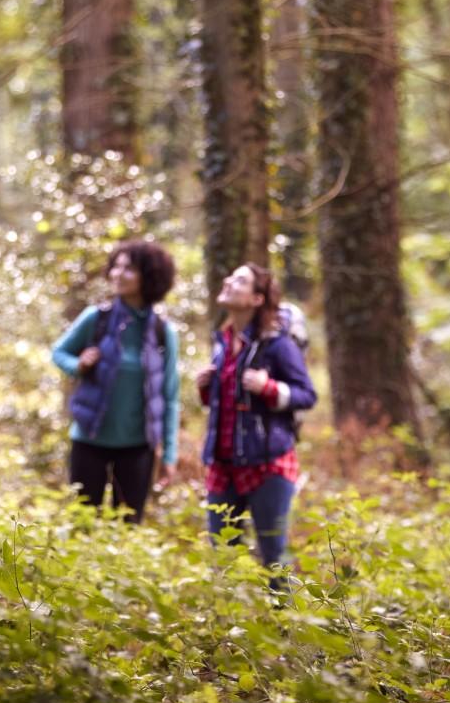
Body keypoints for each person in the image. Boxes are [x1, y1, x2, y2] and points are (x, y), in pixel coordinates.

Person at [195, 264, 316, 584]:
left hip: (268, 465)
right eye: (230, 276)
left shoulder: (277, 345)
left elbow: (307, 394)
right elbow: (230, 406)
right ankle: (227, 632)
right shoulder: (223, 342)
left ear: (256, 299)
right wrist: (206, 387)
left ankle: (284, 629)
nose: (228, 281)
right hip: (222, 466)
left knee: (274, 556)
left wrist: (270, 388)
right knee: (222, 555)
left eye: (240, 280)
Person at [52, 241, 180, 523]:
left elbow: (170, 397)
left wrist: (169, 454)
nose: (118, 274)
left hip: (138, 448)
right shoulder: (96, 318)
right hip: (89, 439)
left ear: (149, 276)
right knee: (82, 523)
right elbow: (59, 352)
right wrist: (79, 365)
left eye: (129, 268)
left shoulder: (162, 332)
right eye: (116, 266)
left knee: (127, 527)